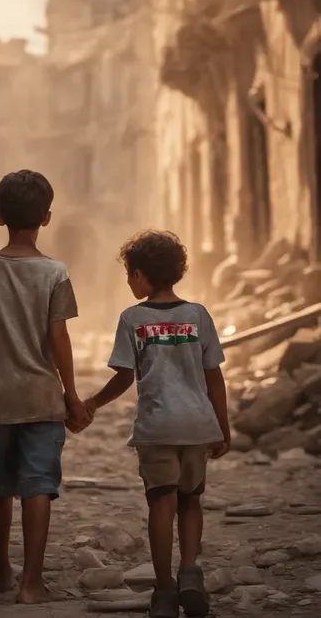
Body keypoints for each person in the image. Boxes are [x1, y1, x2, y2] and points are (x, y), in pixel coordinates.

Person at [0, 169, 89, 605]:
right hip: (40, 398)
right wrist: (71, 394)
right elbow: (58, 338)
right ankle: (31, 582)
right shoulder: (54, 273)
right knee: (38, 486)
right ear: (47, 218)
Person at [84, 230, 230, 618]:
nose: (129, 281)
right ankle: (191, 573)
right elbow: (213, 375)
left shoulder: (132, 319)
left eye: (130, 273)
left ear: (141, 275)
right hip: (198, 425)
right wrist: (223, 426)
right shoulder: (198, 315)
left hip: (157, 427)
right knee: (191, 499)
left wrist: (92, 403)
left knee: (161, 503)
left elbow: (124, 377)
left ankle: (165, 590)